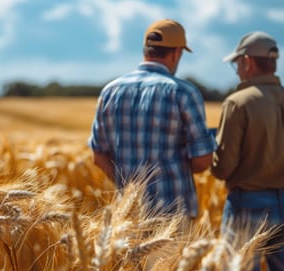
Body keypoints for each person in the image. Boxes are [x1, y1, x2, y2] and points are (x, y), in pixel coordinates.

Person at [211, 32, 284, 271]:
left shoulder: (237, 104)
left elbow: (223, 168)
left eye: (237, 64)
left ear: (248, 62)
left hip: (246, 206)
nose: (238, 70)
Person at [88, 19, 217, 219]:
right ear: (176, 53)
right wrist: (172, 169)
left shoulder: (110, 91)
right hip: (173, 215)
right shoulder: (183, 92)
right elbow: (202, 160)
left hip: (128, 219)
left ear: (146, 50)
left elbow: (98, 157)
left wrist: (129, 187)